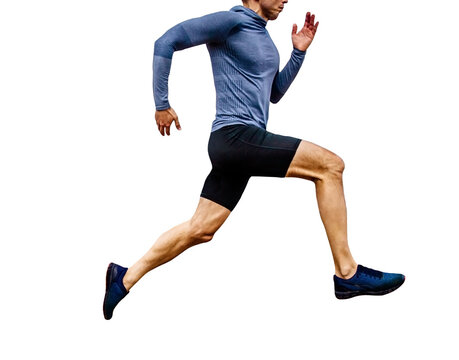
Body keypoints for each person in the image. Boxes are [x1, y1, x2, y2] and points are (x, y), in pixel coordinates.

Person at [103, 0, 405, 320]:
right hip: (235, 137)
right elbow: (166, 41)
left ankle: (124, 278)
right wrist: (161, 103)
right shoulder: (229, 22)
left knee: (201, 229)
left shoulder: (262, 35)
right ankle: (347, 273)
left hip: (240, 144)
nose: (286, 0)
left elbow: (273, 92)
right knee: (330, 165)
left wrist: (298, 52)